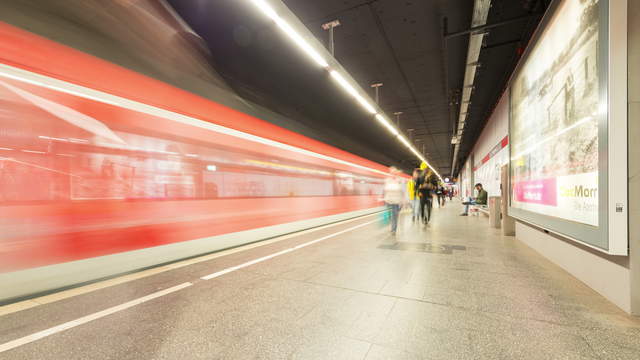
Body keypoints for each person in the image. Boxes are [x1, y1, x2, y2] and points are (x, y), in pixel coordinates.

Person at [383, 167, 404, 235]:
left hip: (396, 201)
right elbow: (385, 190)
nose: (393, 174)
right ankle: (392, 227)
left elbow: (402, 191)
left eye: (394, 173)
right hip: (388, 200)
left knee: (394, 215)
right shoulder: (387, 180)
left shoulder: (400, 180)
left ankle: (393, 229)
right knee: (390, 216)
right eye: (391, 173)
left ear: (396, 173)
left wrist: (403, 201)